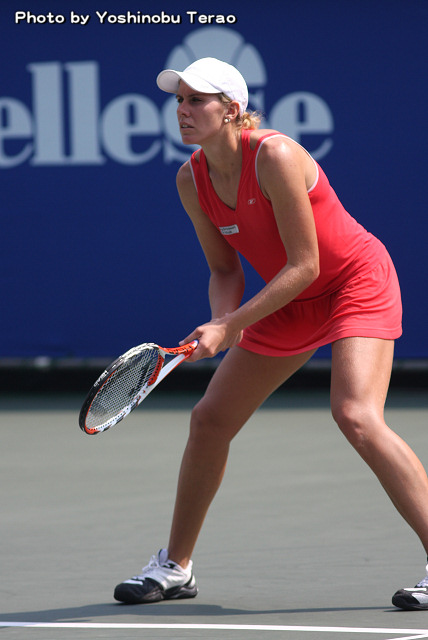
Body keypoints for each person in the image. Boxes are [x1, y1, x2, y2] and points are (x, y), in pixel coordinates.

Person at [114, 57, 428, 611]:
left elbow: (306, 263)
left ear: (232, 110)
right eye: (179, 100)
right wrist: (220, 321)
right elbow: (225, 270)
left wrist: (231, 325)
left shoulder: (276, 155)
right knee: (209, 420)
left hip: (354, 282)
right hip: (289, 299)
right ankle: (175, 567)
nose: (183, 110)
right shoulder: (191, 179)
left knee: (355, 415)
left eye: (197, 100)